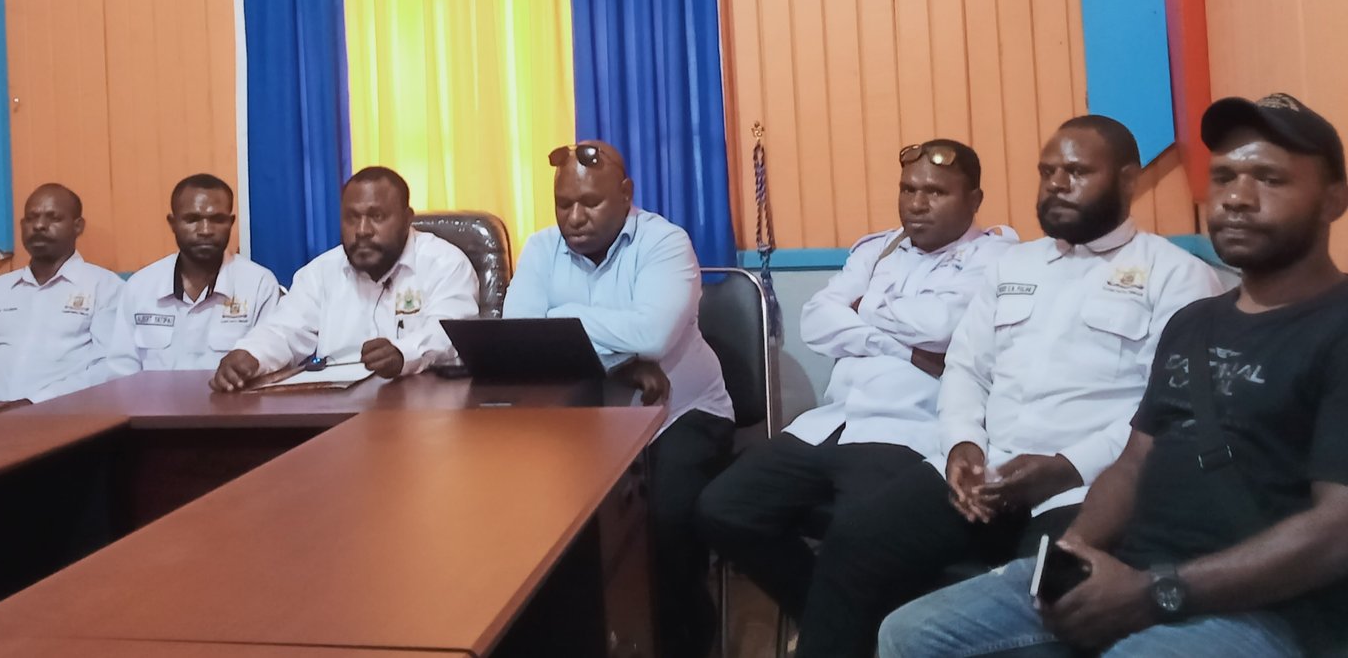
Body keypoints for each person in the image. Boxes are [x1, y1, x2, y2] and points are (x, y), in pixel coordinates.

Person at [880, 94, 1348, 658]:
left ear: (1333, 200)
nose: (1237, 198)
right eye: (1224, 177)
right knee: (909, 633)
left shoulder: (1333, 327)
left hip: (1265, 608)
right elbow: (1133, 462)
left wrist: (1155, 593)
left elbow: (1338, 531)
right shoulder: (1196, 323)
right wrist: (1074, 554)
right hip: (1135, 566)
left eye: (1270, 179)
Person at [787, 116, 1225, 658]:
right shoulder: (1015, 265)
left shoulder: (1175, 275)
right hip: (985, 474)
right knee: (854, 542)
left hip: (1085, 489)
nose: (1056, 184)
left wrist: (1066, 467)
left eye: (1077, 172)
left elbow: (1165, 412)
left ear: (1128, 179)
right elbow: (966, 369)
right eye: (1047, 171)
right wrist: (962, 445)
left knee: (1049, 604)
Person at [696, 140, 1016, 622]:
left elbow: (941, 324)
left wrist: (861, 308)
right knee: (722, 508)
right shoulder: (878, 249)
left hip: (907, 432)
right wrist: (905, 349)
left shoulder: (996, 257)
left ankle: (843, 629)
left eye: (935, 192)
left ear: (974, 200)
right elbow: (815, 321)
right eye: (908, 189)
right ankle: (830, 622)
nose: (917, 203)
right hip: (831, 422)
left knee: (859, 540)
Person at [502, 141, 735, 658]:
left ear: (626, 195)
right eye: (564, 204)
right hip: (586, 421)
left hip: (680, 415)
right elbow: (520, 333)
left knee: (664, 522)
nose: (574, 217)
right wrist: (622, 361)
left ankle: (686, 640)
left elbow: (653, 334)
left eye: (590, 203)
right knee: (538, 516)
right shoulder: (541, 248)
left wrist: (560, 321)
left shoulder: (664, 243)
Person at [209, 167, 479, 388]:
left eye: (376, 216)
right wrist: (250, 355)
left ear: (407, 219)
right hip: (335, 411)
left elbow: (447, 333)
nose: (362, 230)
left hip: (422, 410)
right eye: (351, 218)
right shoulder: (321, 272)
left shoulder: (444, 263)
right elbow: (284, 331)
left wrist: (402, 353)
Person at [0, 184, 123, 413]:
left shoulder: (105, 288)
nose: (39, 225)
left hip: (63, 418)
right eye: (31, 218)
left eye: (53, 218)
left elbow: (107, 367)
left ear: (78, 226)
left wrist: (33, 404)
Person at [105, 174, 280, 374]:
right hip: (151, 396)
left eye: (217, 220)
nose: (205, 230)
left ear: (231, 223)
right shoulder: (141, 286)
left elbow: (268, 365)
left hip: (233, 396)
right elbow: (121, 370)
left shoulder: (259, 285)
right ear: (172, 223)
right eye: (192, 219)